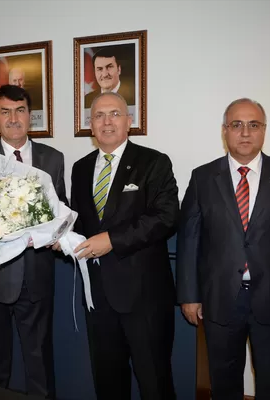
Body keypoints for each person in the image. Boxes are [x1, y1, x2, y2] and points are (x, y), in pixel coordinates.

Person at [176, 98, 270, 400]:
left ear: (264, 130)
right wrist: (189, 295)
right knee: (224, 382)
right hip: (220, 299)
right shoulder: (202, 177)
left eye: (253, 125)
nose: (245, 132)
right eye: (237, 125)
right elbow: (189, 241)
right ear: (225, 131)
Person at [69, 92, 179, 399]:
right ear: (91, 125)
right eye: (99, 116)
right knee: (108, 382)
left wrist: (112, 240)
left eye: (115, 114)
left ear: (129, 121)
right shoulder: (80, 168)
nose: (107, 122)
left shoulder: (153, 162)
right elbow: (79, 222)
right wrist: (61, 239)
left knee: (154, 383)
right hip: (98, 297)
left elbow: (167, 217)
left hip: (144, 298)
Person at [0, 85, 66, 398]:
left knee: (40, 360)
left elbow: (60, 209)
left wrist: (58, 232)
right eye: (5, 112)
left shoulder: (53, 158)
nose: (13, 118)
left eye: (20, 111)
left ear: (30, 116)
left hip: (37, 275)